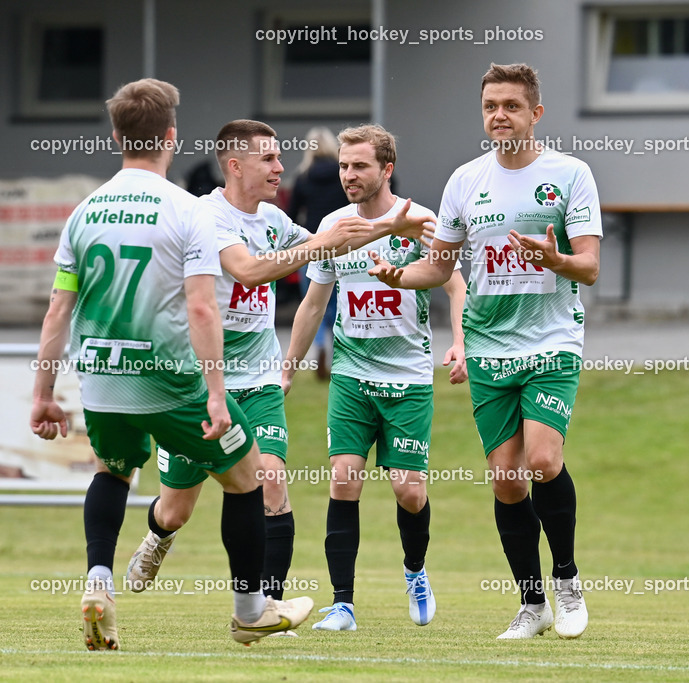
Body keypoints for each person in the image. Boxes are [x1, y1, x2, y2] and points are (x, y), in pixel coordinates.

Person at [29, 79, 314, 648]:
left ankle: (98, 581)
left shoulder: (85, 211)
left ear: (115, 137)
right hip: (173, 381)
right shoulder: (187, 209)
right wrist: (214, 393)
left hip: (105, 378)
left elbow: (59, 307)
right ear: (170, 138)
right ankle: (251, 610)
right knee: (247, 478)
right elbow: (203, 307)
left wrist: (43, 392)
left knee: (111, 471)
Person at [124, 120, 433, 617]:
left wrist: (389, 228)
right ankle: (158, 537)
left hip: (260, 378)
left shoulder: (274, 217)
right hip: (201, 381)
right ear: (235, 165)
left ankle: (267, 605)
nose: (280, 167)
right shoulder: (206, 216)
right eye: (268, 158)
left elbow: (330, 248)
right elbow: (249, 268)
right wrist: (329, 243)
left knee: (271, 480)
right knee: (176, 508)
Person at [368, 63, 602, 639]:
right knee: (506, 481)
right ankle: (531, 605)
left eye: (512, 106)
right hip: (490, 346)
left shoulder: (571, 175)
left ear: (535, 113)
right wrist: (397, 275)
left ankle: (567, 584)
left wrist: (555, 260)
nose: (500, 115)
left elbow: (590, 268)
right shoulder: (464, 182)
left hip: (551, 340)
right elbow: (440, 266)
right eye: (491, 106)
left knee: (544, 462)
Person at [282, 124, 467, 631]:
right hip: (350, 377)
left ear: (386, 169)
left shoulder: (418, 220)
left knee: (408, 490)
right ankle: (342, 603)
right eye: (343, 165)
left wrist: (460, 342)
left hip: (406, 378)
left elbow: (454, 283)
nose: (348, 175)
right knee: (343, 480)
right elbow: (313, 303)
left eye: (359, 165)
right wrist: (288, 369)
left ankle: (415, 571)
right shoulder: (334, 226)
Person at [288, 127, 349, 379]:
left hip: (315, 244)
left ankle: (319, 348)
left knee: (313, 303)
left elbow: (291, 214)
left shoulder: (303, 178)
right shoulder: (343, 175)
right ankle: (337, 352)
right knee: (340, 305)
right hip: (345, 244)